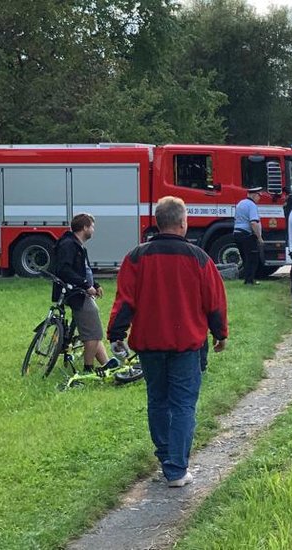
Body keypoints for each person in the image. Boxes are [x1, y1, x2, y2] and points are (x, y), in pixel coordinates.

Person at [107, 196, 228, 488]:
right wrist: (220, 333)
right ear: (183, 223)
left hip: (149, 342)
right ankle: (176, 467)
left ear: (158, 223)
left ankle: (166, 458)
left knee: (157, 401)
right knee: (184, 404)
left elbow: (124, 300)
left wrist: (116, 334)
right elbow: (214, 302)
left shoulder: (136, 257)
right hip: (186, 343)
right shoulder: (199, 258)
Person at [53, 213, 119, 375]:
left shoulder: (78, 245)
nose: (93, 230)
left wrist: (95, 284)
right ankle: (88, 368)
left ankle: (106, 363)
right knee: (94, 333)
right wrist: (85, 285)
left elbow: (84, 270)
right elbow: (64, 269)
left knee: (91, 329)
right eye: (92, 227)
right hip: (76, 293)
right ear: (84, 228)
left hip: (82, 291)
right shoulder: (69, 245)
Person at [233, 187, 264, 285]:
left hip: (237, 233)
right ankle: (250, 281)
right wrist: (259, 237)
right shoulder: (252, 205)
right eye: (259, 196)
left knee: (245, 258)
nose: (259, 198)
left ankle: (247, 280)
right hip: (247, 234)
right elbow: (253, 222)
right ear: (255, 195)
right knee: (253, 258)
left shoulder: (240, 203)